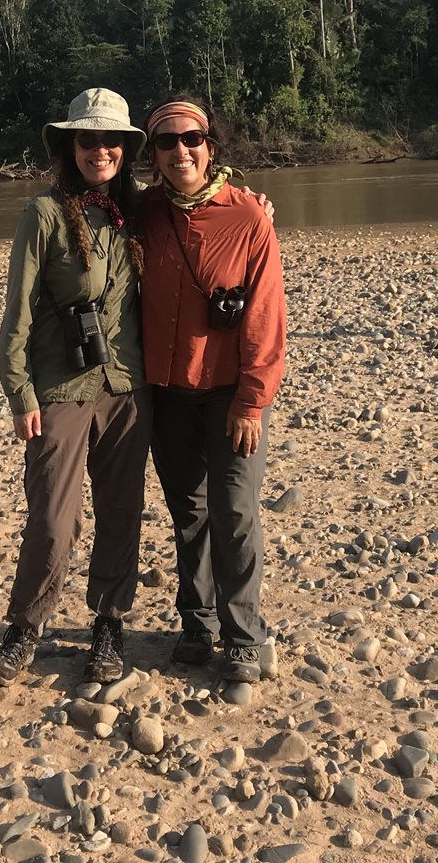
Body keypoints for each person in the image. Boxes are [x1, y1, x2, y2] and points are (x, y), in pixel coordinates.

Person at [0, 88, 151, 686]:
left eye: (111, 140)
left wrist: (257, 207)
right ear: (71, 146)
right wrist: (19, 392)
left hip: (129, 387)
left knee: (120, 511)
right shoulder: (45, 213)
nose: (101, 150)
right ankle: (25, 626)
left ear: (125, 149)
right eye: (90, 140)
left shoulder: (139, 211)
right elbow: (19, 311)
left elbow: (207, 212)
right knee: (53, 519)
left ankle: (109, 623)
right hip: (60, 387)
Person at [138, 97, 286, 684]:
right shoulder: (142, 211)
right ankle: (197, 626)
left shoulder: (249, 217)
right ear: (152, 154)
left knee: (236, 512)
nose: (181, 152)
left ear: (211, 145)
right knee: (188, 514)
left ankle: (244, 635)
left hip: (230, 392)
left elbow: (265, 317)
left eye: (191, 139)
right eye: (167, 143)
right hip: (167, 391)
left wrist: (253, 399)